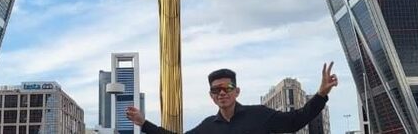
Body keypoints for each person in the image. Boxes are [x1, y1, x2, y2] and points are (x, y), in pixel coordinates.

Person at [126, 62, 338, 134]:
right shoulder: (208, 127)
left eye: (227, 88)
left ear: (237, 91)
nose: (222, 93)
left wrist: (321, 94)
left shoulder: (259, 115)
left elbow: (295, 121)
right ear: (212, 96)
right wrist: (144, 123)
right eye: (216, 90)